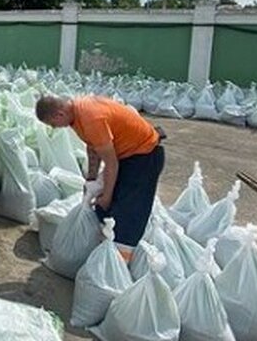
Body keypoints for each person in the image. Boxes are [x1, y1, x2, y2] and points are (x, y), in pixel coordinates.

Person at [35, 95, 165, 262]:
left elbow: (111, 164)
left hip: (145, 156)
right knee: (107, 209)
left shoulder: (91, 118)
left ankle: (117, 265)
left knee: (128, 213)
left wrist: (107, 196)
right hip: (127, 155)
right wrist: (91, 179)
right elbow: (93, 147)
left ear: (59, 114)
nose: (55, 128)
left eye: (53, 124)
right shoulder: (76, 115)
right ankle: (107, 252)